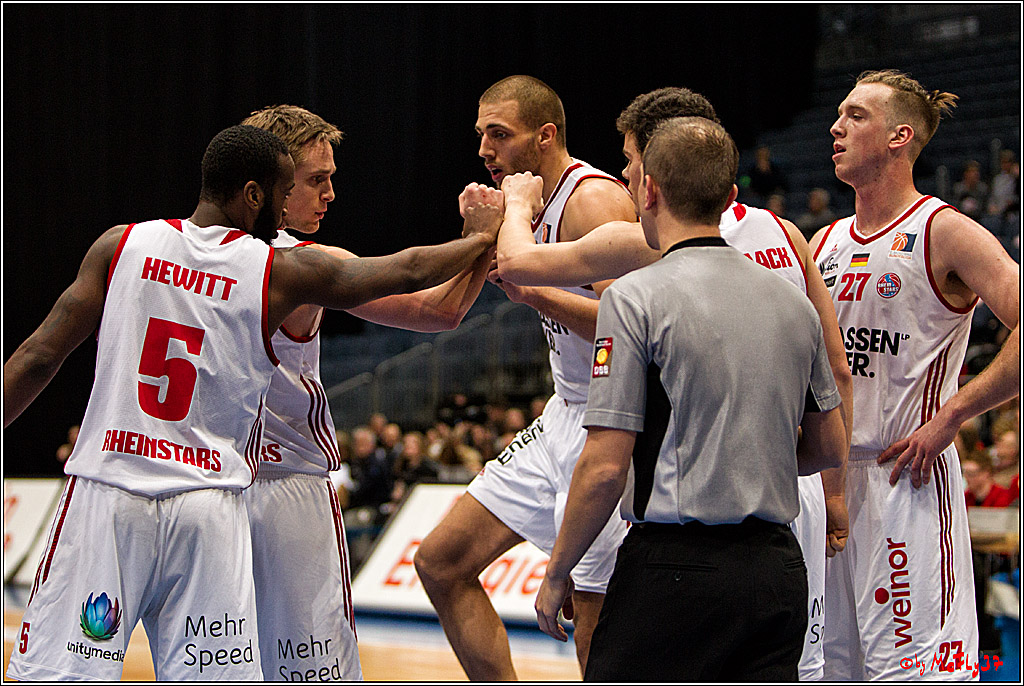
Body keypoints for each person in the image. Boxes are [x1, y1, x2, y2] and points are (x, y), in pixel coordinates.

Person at [3, 124, 500, 681]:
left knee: (58, 673)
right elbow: (408, 269)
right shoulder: (279, 271)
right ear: (255, 193)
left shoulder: (122, 244)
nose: (292, 206)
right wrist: (481, 237)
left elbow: (38, 356)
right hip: (209, 503)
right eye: (291, 189)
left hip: (114, 487)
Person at [494, 85, 853, 681]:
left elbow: (605, 468)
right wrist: (754, 463)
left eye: (631, 166)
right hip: (778, 560)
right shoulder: (792, 287)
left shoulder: (634, 294)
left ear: (648, 189)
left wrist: (557, 571)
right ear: (729, 196)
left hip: (677, 564)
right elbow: (829, 444)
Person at [240, 104, 496, 681]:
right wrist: (484, 236)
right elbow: (438, 309)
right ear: (274, 182)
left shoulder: (179, 252)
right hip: (288, 494)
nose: (330, 193)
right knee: (314, 670)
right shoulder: (305, 263)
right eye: (316, 179)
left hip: (209, 487)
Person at [413, 75, 637, 680]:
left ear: (545, 136)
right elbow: (456, 297)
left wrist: (532, 293)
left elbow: (633, 330)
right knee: (441, 562)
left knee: (592, 623)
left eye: (499, 134)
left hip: (610, 419)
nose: (485, 150)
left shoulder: (593, 201)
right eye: (480, 134)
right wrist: (478, 233)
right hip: (562, 413)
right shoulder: (524, 204)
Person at [810, 69, 1019, 680]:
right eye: (839, 114)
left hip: (907, 479)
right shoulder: (823, 241)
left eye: (855, 116)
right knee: (830, 671)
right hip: (828, 486)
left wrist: (954, 414)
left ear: (900, 137)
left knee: (916, 673)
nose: (836, 127)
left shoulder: (943, 229)